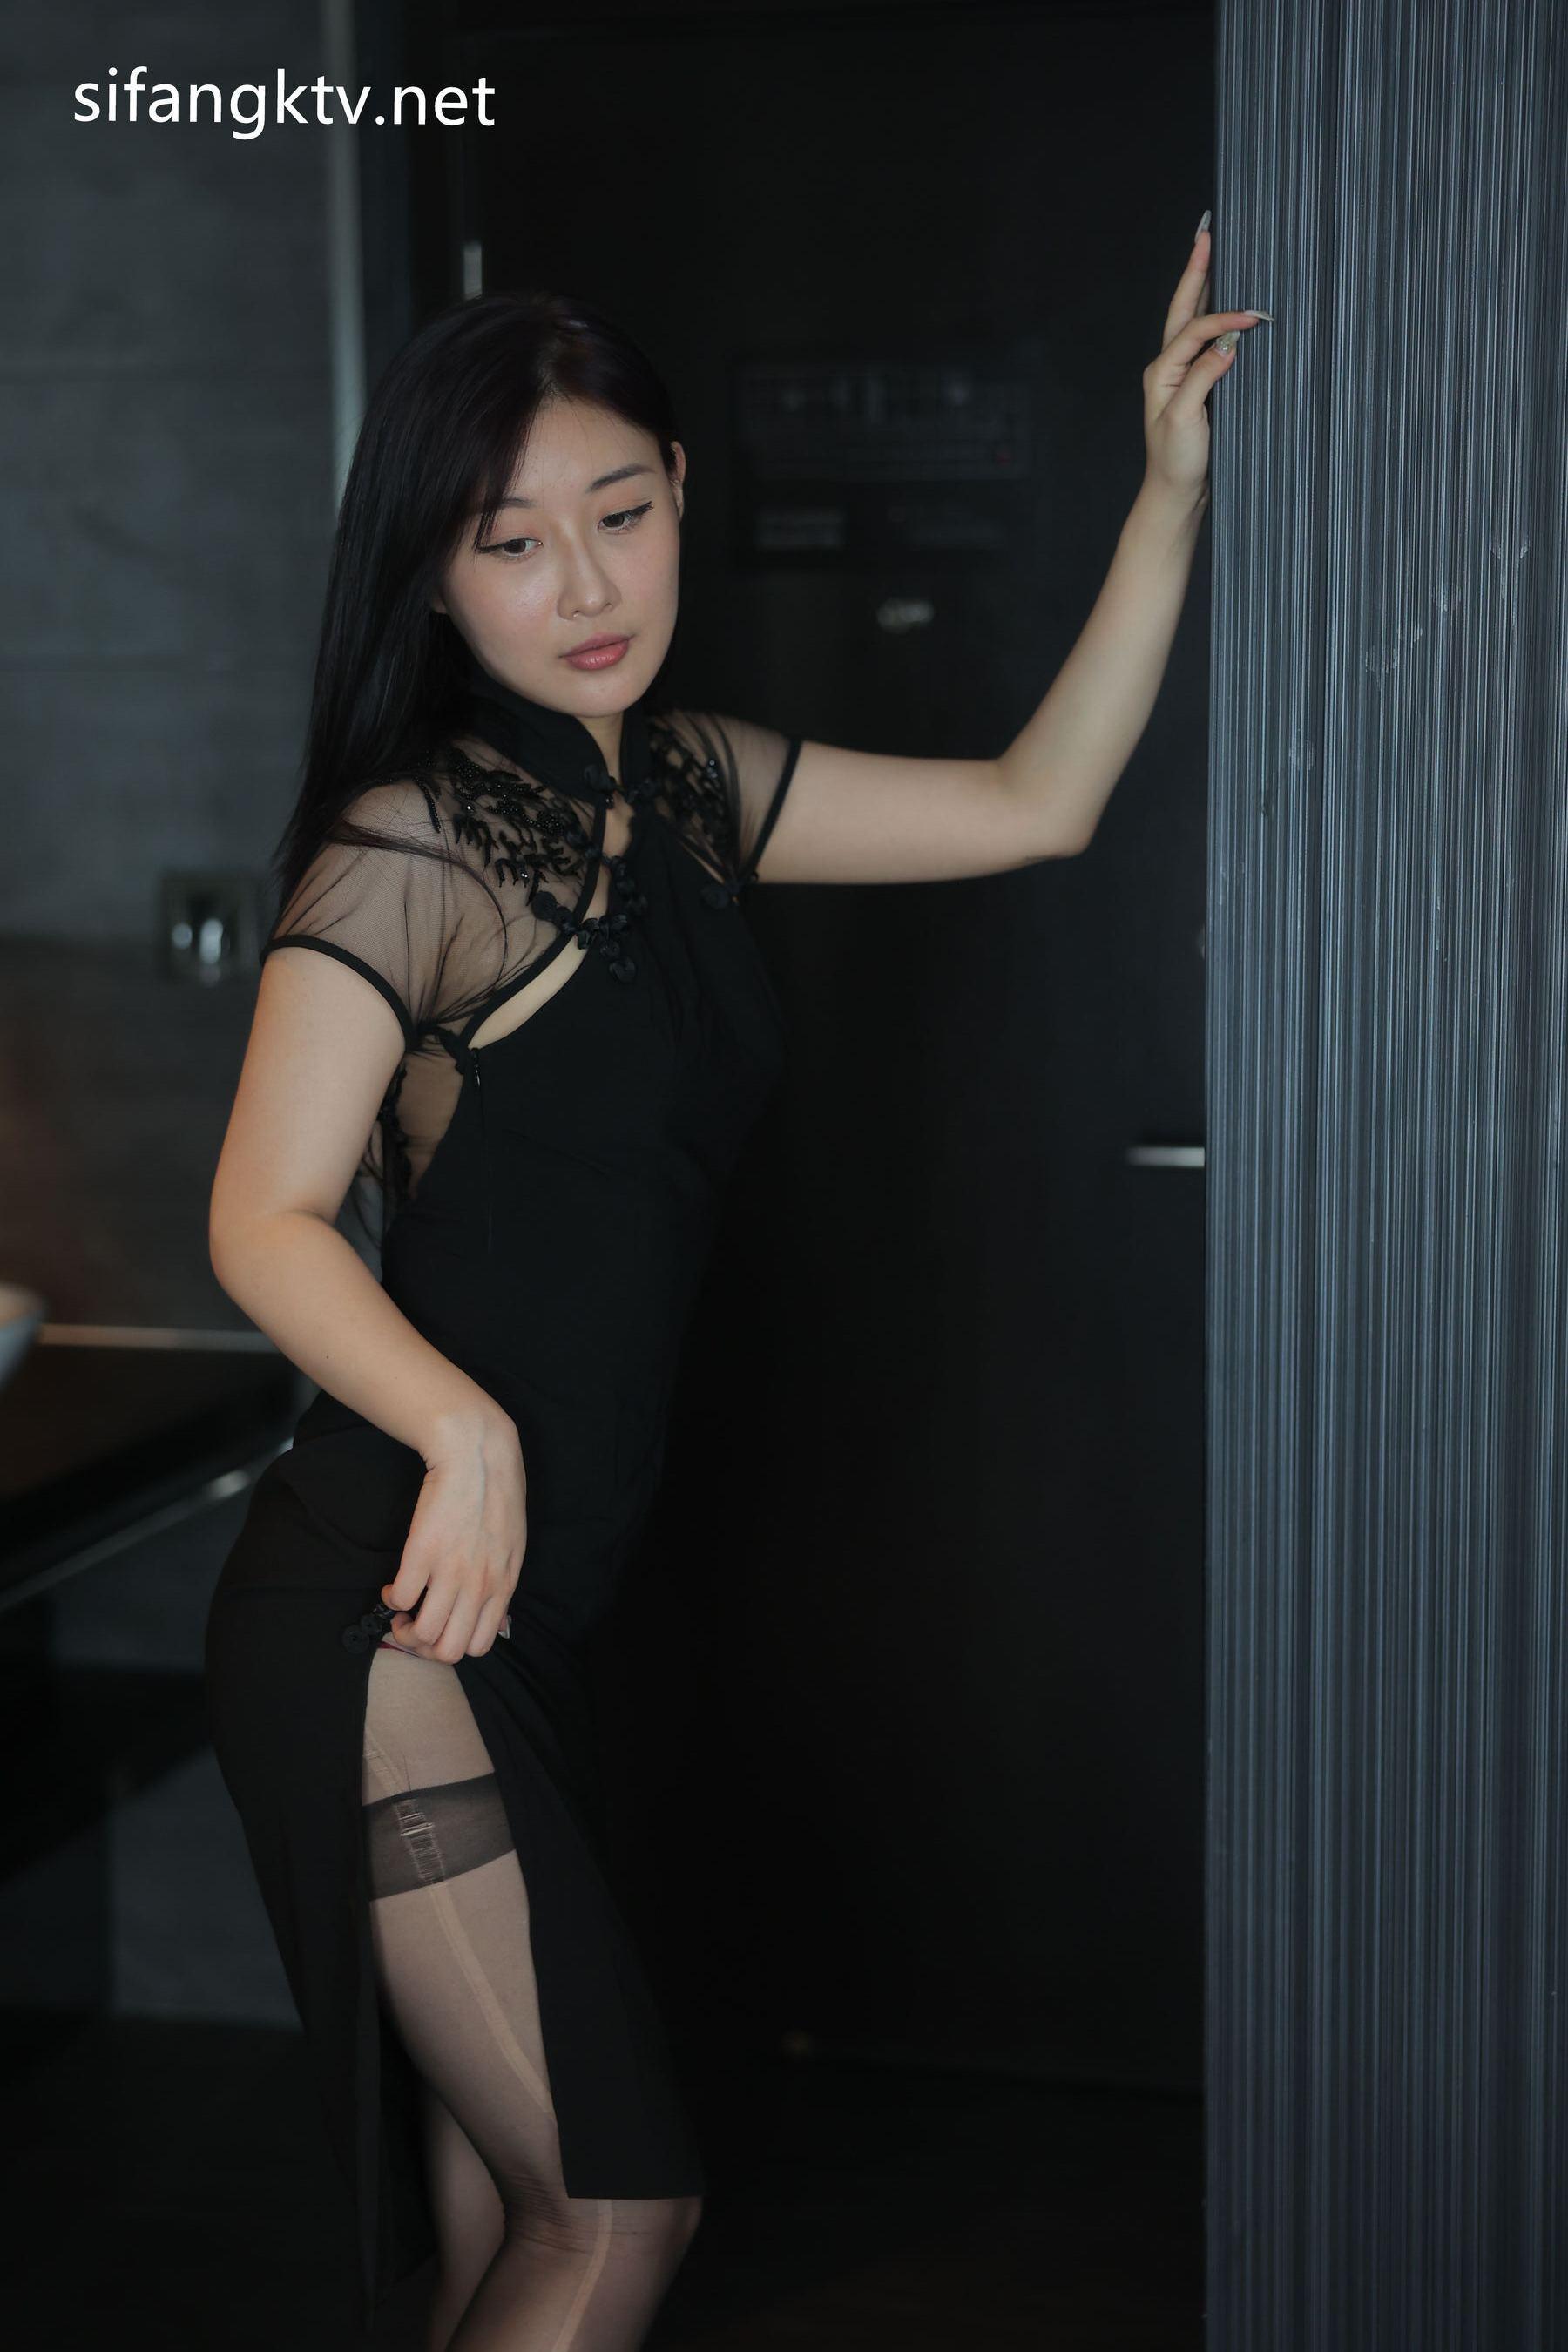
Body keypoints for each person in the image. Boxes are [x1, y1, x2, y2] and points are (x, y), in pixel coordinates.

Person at [205, 249, 1245, 2351]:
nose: (585, 582)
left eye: (619, 510)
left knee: (509, 2234)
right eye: (510, 541)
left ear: (682, 490)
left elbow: (1035, 807)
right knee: (614, 2216)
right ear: (432, 578)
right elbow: (263, 1218)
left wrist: (1167, 491)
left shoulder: (682, 789)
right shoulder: (417, 846)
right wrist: (465, 1432)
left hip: (525, 1620)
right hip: (387, 1606)